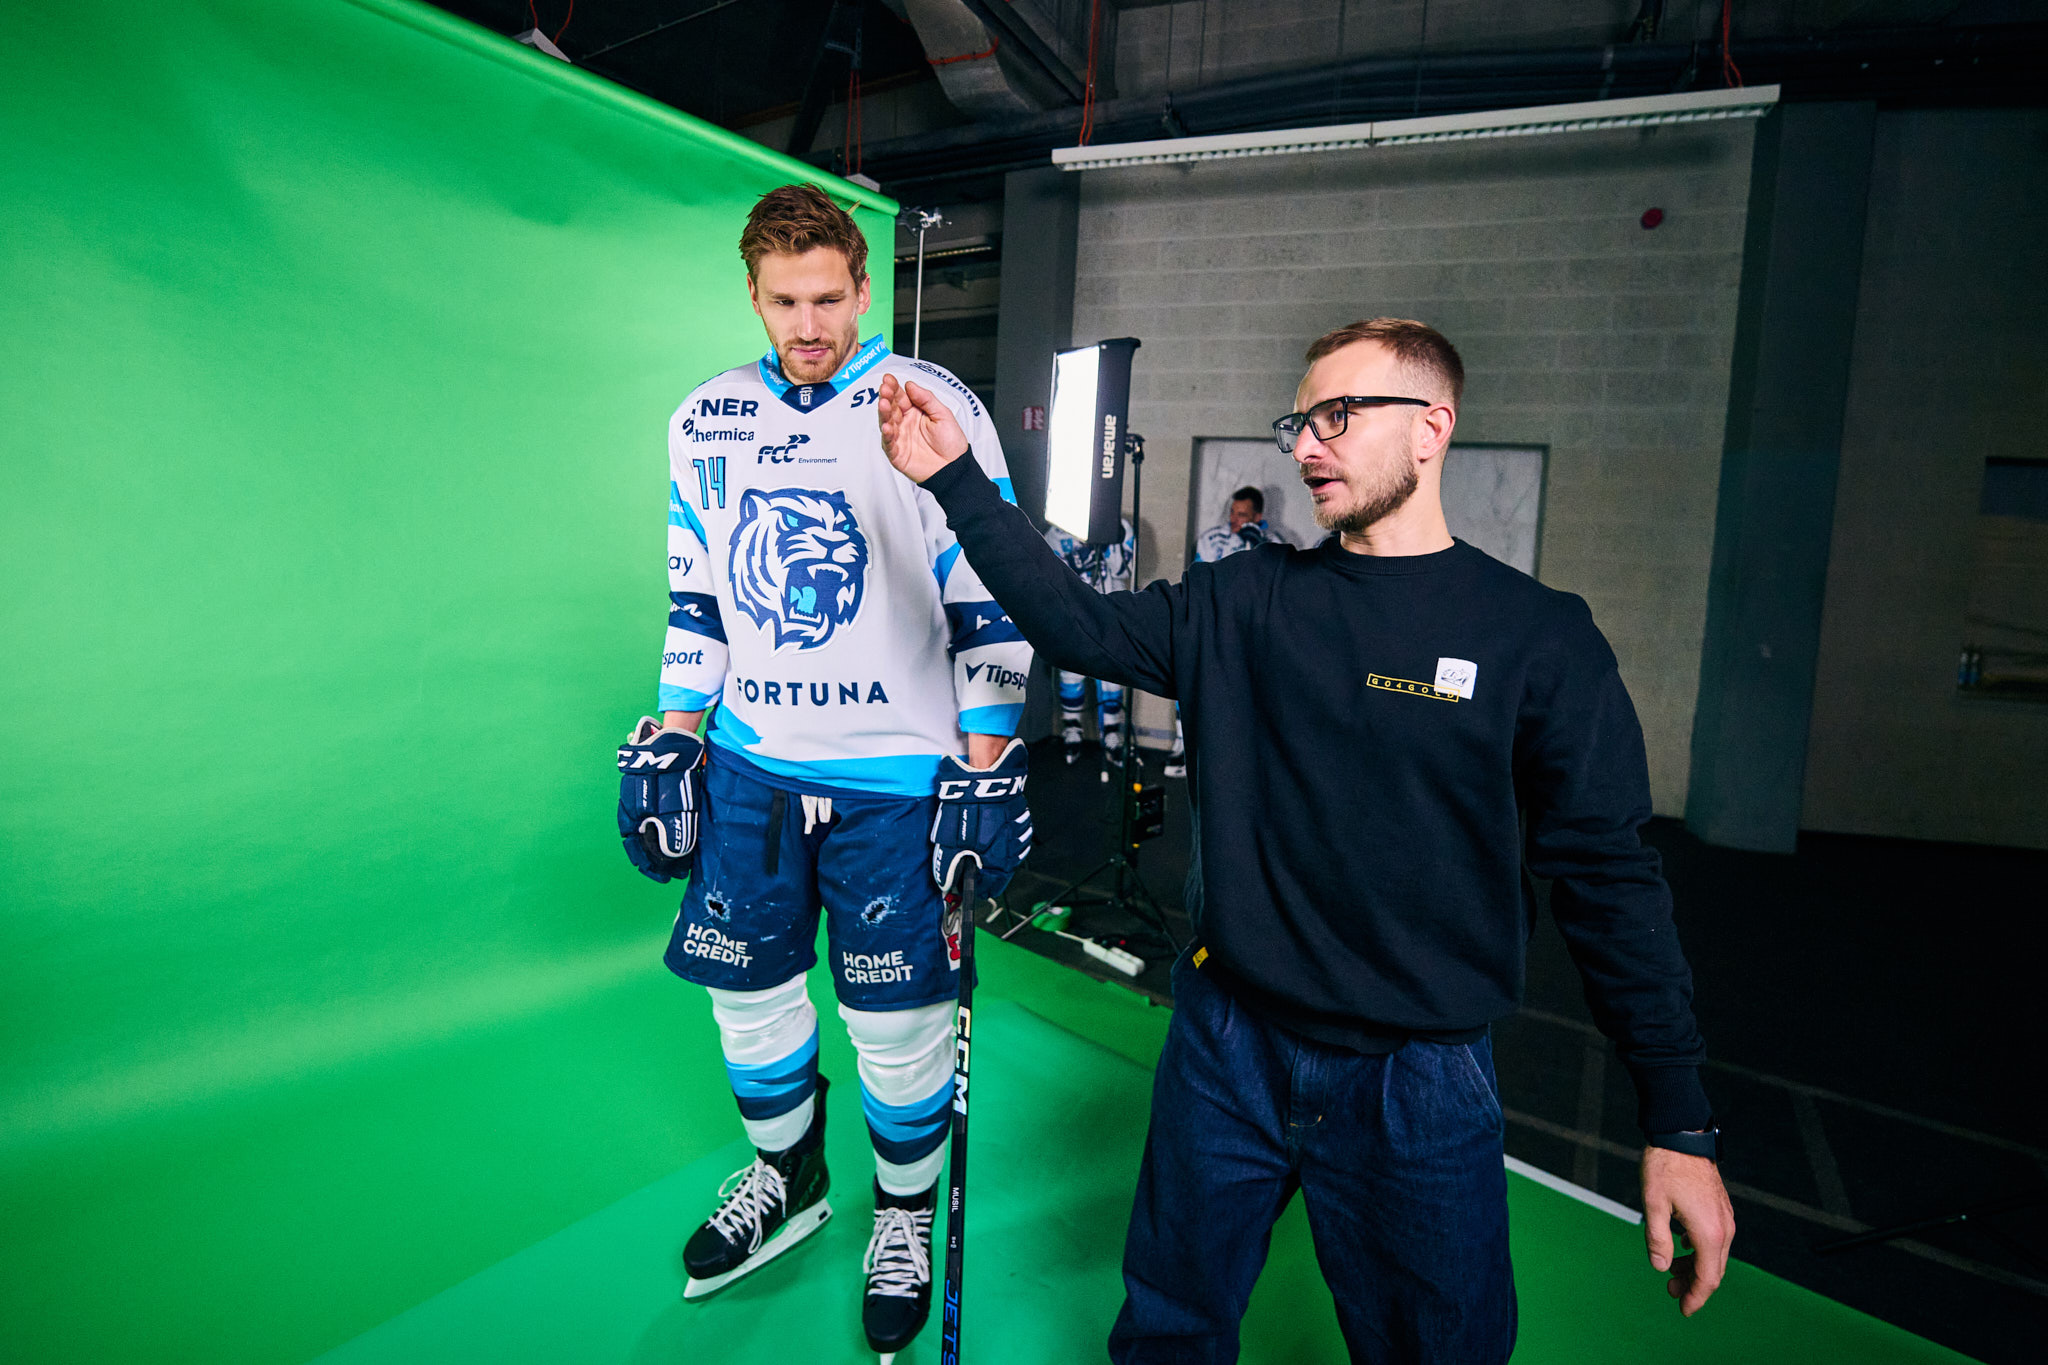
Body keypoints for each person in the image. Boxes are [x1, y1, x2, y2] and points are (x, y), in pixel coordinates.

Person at [875, 317, 1735, 1363]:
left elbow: (1610, 883)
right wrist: (957, 480)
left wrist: (1678, 1123)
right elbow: (1078, 627)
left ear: (1431, 429)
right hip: (1223, 1045)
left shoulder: (1537, 639)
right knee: (1167, 1330)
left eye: (1336, 415)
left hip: (1413, 1082)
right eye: (1298, 420)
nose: (1303, 445)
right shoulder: (1245, 601)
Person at [613, 183, 1034, 1363]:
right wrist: (676, 733)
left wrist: (984, 765)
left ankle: (901, 1217)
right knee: (744, 996)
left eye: (828, 298)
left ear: (863, 290)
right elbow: (696, 594)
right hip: (749, 767)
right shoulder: (704, 418)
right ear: (752, 296)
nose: (808, 322)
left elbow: (988, 590)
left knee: (893, 1021)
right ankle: (787, 1179)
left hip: (896, 779)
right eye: (784, 301)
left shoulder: (928, 402)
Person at [1043, 516, 1135, 775]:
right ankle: (1072, 730)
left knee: (1112, 677)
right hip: (1073, 614)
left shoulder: (1120, 526)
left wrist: (1107, 542)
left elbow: (1124, 570)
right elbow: (1049, 573)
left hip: (1110, 612)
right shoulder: (1059, 529)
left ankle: (1112, 735)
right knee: (1071, 673)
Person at [1193, 485, 1286, 563]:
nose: (1233, 519)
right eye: (1232, 512)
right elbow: (1201, 578)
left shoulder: (1274, 543)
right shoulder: (1211, 539)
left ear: (1257, 517)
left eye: (1241, 515)